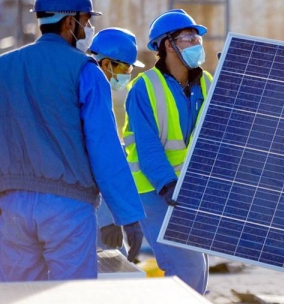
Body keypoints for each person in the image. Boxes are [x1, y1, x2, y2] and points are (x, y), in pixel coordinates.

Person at [0, 0, 145, 282]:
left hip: (12, 207)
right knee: (74, 295)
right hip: (67, 208)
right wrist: (127, 215)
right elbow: (105, 150)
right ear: (70, 22)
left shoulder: (4, 67)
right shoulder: (86, 71)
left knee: (17, 297)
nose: (89, 28)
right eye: (87, 21)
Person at [122, 9, 213, 294]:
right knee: (187, 270)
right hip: (155, 190)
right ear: (167, 45)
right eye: (188, 38)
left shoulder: (207, 82)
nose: (196, 44)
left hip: (190, 189)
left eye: (197, 38)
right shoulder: (144, 87)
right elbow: (148, 146)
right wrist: (167, 184)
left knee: (198, 272)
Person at [88, 27, 146, 252]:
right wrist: (108, 219)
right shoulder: (90, 92)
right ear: (105, 64)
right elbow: (99, 159)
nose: (128, 74)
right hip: (76, 208)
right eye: (124, 67)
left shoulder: (89, 87)